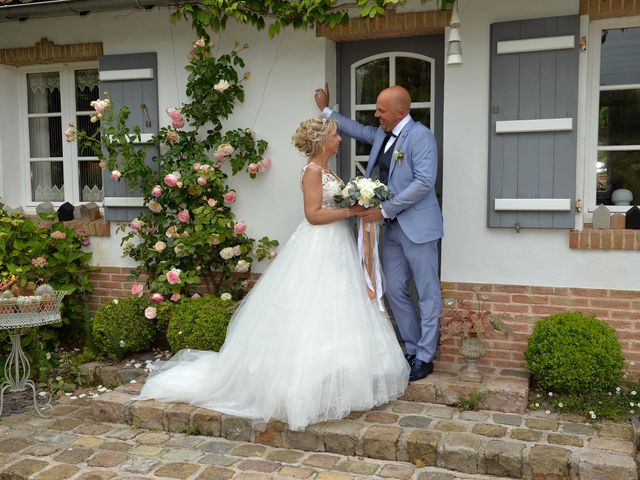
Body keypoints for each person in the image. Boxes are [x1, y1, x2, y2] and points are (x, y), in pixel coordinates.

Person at [135, 116, 410, 431]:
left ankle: (340, 380)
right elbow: (313, 215)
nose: (340, 140)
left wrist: (357, 204)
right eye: (335, 135)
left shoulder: (328, 169)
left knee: (340, 307)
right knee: (313, 309)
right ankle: (305, 386)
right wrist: (351, 210)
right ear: (322, 141)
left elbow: (329, 205)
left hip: (337, 245)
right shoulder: (312, 171)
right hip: (319, 244)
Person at [314, 83, 443, 381]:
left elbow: (424, 183)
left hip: (418, 228)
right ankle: (411, 349)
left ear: (400, 112)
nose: (377, 115)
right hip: (393, 229)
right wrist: (326, 111)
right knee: (394, 289)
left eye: (382, 110)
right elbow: (357, 129)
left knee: (427, 293)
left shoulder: (420, 137)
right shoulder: (383, 135)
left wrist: (384, 210)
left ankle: (425, 355)